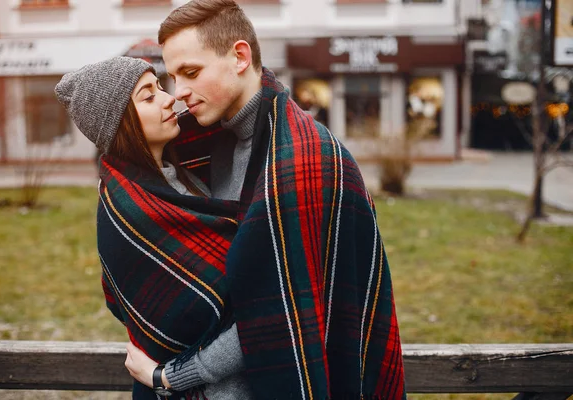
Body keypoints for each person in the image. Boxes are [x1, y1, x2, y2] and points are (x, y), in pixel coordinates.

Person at [125, 0, 406, 399]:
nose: (179, 92)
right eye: (172, 77)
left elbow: (274, 314)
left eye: (190, 72)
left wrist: (172, 376)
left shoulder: (303, 161)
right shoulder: (213, 144)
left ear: (240, 56)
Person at [55, 56, 252, 400]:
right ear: (120, 124)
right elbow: (253, 312)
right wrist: (172, 376)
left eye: (160, 87)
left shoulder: (182, 177)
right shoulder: (132, 211)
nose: (169, 98)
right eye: (148, 96)